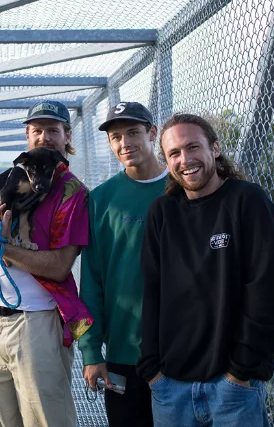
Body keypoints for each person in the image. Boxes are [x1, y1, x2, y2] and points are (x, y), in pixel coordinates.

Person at [137, 113, 274, 427]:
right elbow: (151, 293)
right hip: (170, 388)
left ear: (215, 148)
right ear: (166, 161)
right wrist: (152, 370)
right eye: (174, 153)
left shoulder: (248, 201)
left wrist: (240, 372)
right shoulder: (161, 213)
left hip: (232, 389)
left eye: (193, 147)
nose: (185, 159)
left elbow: (266, 292)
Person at [0, 100, 92, 427]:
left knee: (48, 421)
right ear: (27, 136)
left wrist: (1, 248)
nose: (44, 137)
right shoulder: (11, 178)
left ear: (67, 136)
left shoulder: (72, 192)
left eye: (53, 130)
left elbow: (59, 267)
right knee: (7, 420)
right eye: (37, 130)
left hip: (38, 321)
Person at [79, 102, 168, 427]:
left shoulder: (183, 190)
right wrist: (90, 352)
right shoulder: (101, 199)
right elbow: (91, 281)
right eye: (116, 137)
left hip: (183, 351)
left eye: (133, 133)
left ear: (152, 133)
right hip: (122, 353)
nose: (125, 143)